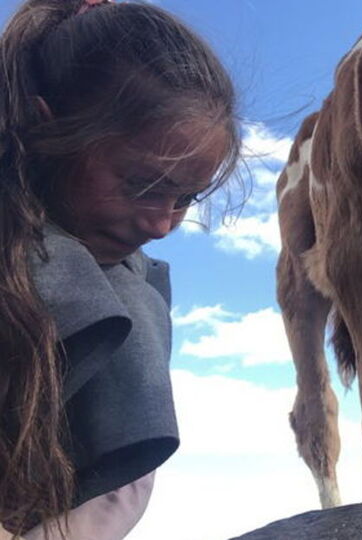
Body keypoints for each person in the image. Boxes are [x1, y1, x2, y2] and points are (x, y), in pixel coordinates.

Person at [0, 0, 240, 537]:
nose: (162, 224)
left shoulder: (134, 301)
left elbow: (118, 495)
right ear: (48, 131)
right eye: (143, 185)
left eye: (186, 197)